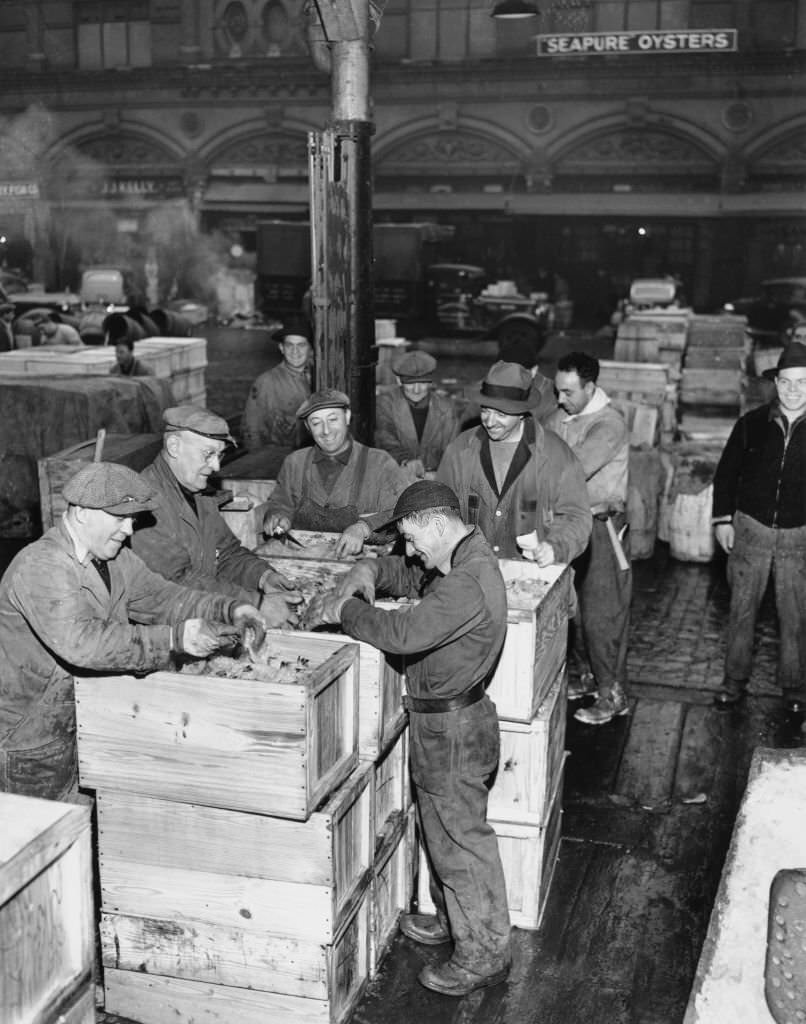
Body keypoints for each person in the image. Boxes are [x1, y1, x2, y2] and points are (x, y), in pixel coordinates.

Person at [305, 480, 511, 996]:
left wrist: (344, 610)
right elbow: (403, 572)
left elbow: (402, 636)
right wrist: (366, 572)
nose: (411, 550)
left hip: (455, 730)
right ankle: (456, 922)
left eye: (414, 539)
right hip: (444, 724)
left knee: (463, 844)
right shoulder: (458, 560)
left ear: (438, 525)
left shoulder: (468, 580)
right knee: (444, 838)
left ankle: (484, 953)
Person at [0, 462, 265, 801]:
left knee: (88, 830)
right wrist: (173, 640)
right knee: (44, 842)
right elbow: (85, 644)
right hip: (33, 738)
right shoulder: (42, 565)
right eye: (119, 518)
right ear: (81, 513)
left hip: (83, 720)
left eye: (132, 519)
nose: (128, 530)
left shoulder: (114, 559)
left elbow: (163, 596)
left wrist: (230, 608)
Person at [131, 405, 300, 628]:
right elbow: (178, 581)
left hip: (204, 616)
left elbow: (227, 553)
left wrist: (262, 577)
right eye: (208, 454)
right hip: (165, 633)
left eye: (219, 455)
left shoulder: (198, 493)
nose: (216, 466)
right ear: (174, 446)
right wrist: (255, 603)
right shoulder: (145, 502)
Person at [711, 342, 806, 726]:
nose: (794, 390)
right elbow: (726, 474)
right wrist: (721, 520)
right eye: (787, 381)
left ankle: (796, 690)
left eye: (803, 382)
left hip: (799, 538)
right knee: (741, 611)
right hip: (750, 530)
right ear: (775, 383)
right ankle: (733, 682)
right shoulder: (750, 424)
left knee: (796, 616)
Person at [546, 351, 631, 725]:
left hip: (601, 528)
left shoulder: (608, 424)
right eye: (557, 391)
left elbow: (572, 468)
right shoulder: (559, 416)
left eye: (568, 392)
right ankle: (585, 677)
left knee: (602, 615)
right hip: (566, 525)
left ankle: (613, 694)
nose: (560, 399)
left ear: (590, 387)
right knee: (573, 607)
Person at [436, 360, 591, 562]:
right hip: (472, 571)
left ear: (521, 412)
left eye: (500, 414)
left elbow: (576, 516)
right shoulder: (461, 450)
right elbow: (439, 507)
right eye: (485, 410)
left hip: (529, 574)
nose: (490, 422)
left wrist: (556, 546)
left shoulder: (555, 455)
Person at [262, 387, 409, 558]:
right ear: (307, 427)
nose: (326, 430)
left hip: (364, 565)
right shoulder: (294, 463)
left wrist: (363, 528)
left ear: (347, 417)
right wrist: (278, 515)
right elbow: (281, 502)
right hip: (306, 563)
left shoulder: (380, 463)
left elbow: (403, 511)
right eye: (316, 423)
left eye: (332, 419)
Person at [374, 350, 459, 480]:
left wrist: (440, 474)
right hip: (396, 478)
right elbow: (385, 441)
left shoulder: (447, 408)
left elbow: (453, 451)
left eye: (423, 382)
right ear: (399, 381)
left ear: (431, 381)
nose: (417, 389)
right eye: (410, 383)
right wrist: (406, 461)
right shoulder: (385, 404)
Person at [241, 318, 313, 450]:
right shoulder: (266, 382)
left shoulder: (318, 376)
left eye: (301, 345)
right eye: (289, 345)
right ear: (281, 348)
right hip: (279, 457)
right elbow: (251, 428)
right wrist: (258, 459)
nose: (295, 351)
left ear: (310, 349)